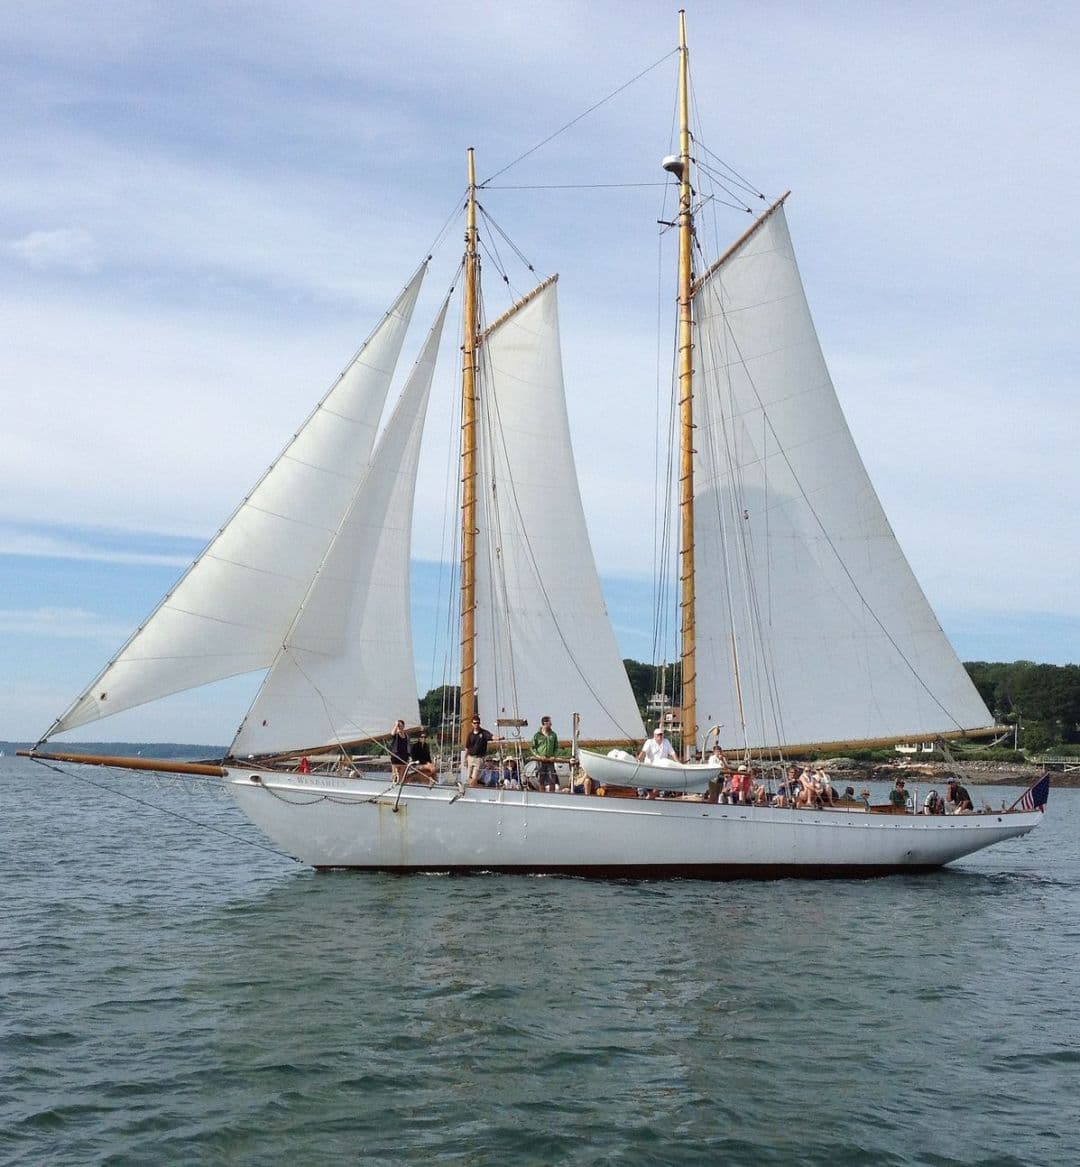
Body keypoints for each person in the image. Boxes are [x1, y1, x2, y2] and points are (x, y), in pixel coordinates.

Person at [532, 716, 559, 791]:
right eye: (550, 722)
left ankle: (552, 795)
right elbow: (533, 747)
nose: (551, 724)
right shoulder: (537, 735)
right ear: (545, 723)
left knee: (552, 779)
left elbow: (556, 747)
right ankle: (542, 795)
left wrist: (554, 756)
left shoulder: (553, 734)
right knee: (541, 779)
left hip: (550, 760)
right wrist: (538, 756)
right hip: (540, 760)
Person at [465, 716, 494, 786]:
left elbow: (491, 737)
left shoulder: (484, 733)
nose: (476, 724)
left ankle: (474, 787)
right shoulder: (470, 734)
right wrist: (465, 758)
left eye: (478, 723)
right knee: (468, 777)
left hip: (479, 758)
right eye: (475, 723)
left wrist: (499, 738)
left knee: (474, 777)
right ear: (472, 724)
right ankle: (475, 786)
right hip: (470, 757)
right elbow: (467, 747)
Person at [389, 719, 410, 783]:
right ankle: (393, 783)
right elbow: (392, 733)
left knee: (401, 775)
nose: (400, 727)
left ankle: (400, 785)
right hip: (396, 756)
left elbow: (408, 746)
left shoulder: (406, 736)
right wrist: (396, 725)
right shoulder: (396, 735)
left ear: (403, 726)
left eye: (401, 726)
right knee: (395, 774)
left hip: (404, 757)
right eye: (399, 726)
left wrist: (409, 756)